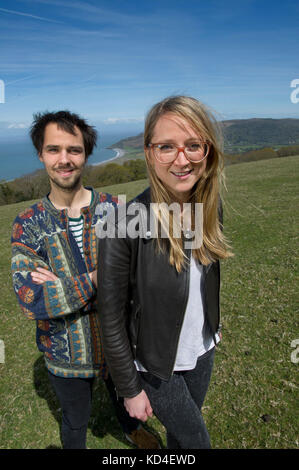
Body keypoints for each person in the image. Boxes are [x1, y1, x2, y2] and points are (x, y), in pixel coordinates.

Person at [11, 110, 160, 449]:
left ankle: (132, 430)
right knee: (75, 420)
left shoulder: (115, 210)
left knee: (126, 402)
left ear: (86, 154)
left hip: (118, 346)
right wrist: (100, 277)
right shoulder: (27, 223)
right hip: (65, 357)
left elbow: (142, 274)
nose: (64, 160)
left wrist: (62, 285)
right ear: (41, 154)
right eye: (53, 149)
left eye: (74, 150)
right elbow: (31, 299)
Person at [97, 95, 233, 449]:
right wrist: (129, 389)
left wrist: (213, 328)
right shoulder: (121, 226)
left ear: (208, 150)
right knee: (196, 442)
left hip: (201, 350)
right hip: (155, 366)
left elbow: (205, 278)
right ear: (148, 152)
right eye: (166, 147)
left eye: (193, 145)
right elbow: (111, 319)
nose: (181, 159)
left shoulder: (209, 208)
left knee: (180, 437)